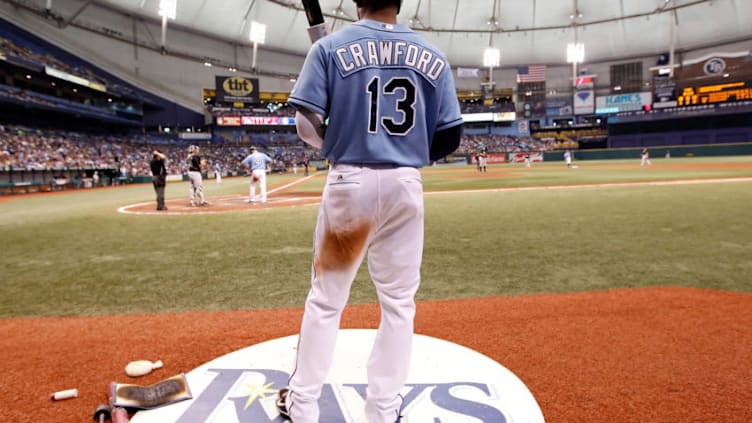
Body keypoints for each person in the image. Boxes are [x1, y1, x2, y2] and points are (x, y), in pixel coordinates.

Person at [275, 1, 463, 422]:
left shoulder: (330, 48)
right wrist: (406, 149)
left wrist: (342, 141)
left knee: (326, 302)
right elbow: (451, 136)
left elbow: (307, 125)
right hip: (405, 185)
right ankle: (383, 410)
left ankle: (302, 406)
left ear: (357, 0)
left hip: (349, 182)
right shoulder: (432, 55)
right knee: (399, 305)